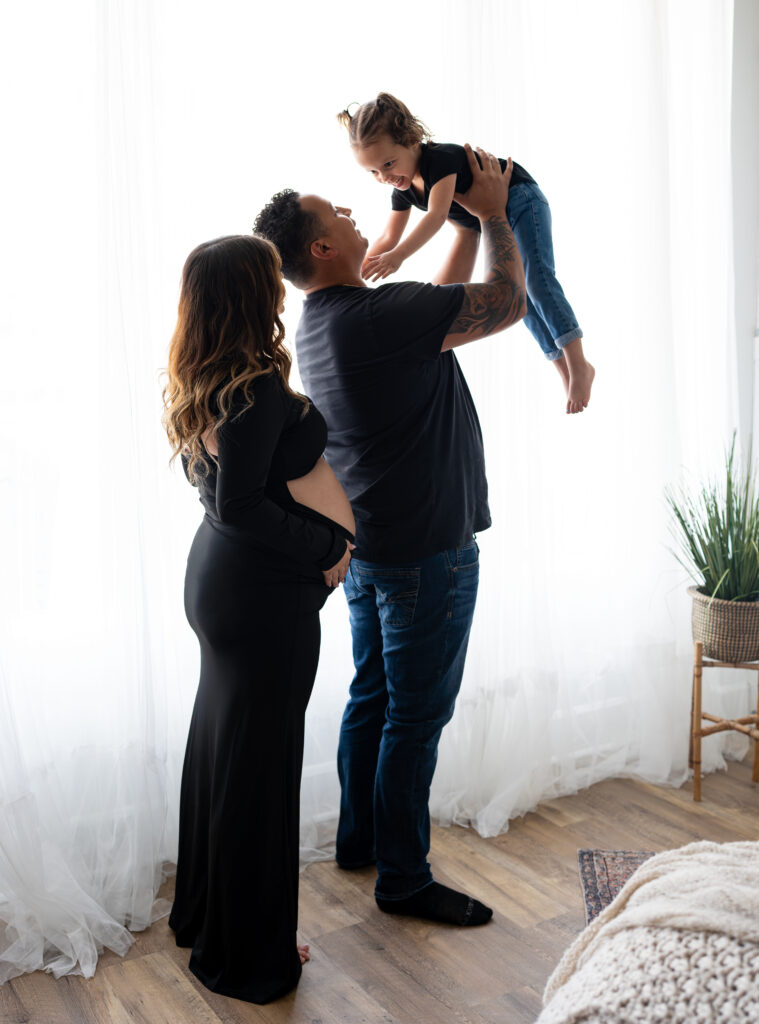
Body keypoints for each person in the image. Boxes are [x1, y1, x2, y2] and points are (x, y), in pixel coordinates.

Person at [253, 146, 525, 927]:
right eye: (336, 213)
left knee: (371, 698)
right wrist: (499, 216)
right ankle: (403, 879)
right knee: (414, 717)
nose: (351, 211)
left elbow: (438, 303)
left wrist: (466, 222)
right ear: (321, 248)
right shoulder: (376, 319)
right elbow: (502, 304)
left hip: (371, 549)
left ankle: (359, 841)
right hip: (424, 556)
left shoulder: (325, 322)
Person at [161, 235, 355, 1003]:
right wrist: (324, 546)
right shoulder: (254, 390)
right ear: (251, 295)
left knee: (225, 750)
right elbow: (240, 503)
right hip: (257, 595)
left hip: (225, 584)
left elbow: (224, 498)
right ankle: (248, 952)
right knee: (259, 769)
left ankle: (211, 918)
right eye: (270, 281)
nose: (283, 291)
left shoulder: (207, 378)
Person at [337, 91, 594, 414]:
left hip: (519, 199)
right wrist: (354, 272)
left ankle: (579, 363)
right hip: (490, 215)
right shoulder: (402, 187)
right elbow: (389, 236)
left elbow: (436, 216)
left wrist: (399, 256)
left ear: (412, 140)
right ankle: (565, 372)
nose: (385, 178)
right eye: (373, 172)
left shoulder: (438, 161)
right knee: (522, 300)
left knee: (537, 281)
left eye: (388, 164)